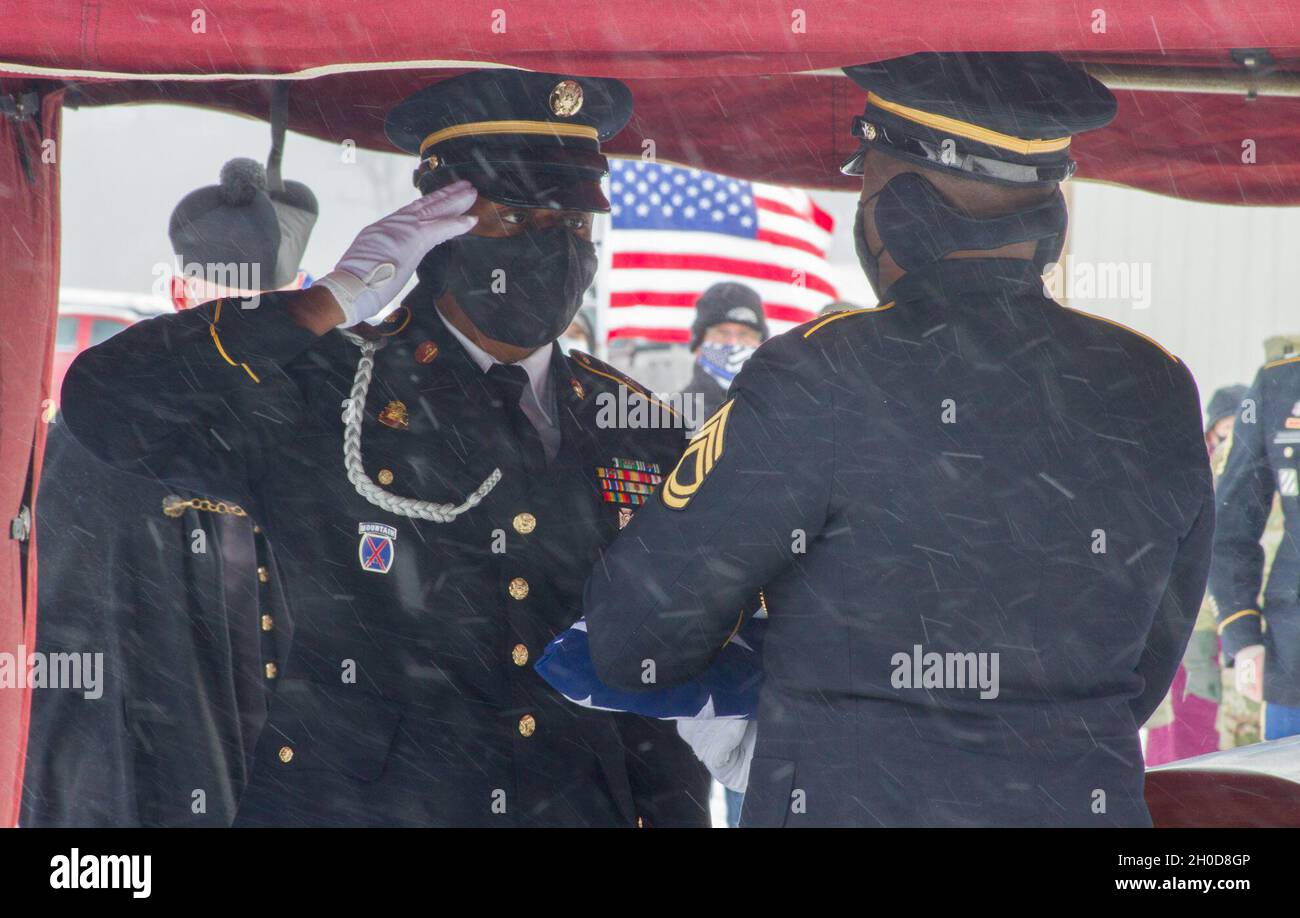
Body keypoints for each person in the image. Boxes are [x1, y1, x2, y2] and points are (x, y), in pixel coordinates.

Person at [62, 69, 708, 827]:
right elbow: (106, 405)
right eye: (520, 220)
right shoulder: (326, 385)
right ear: (440, 227)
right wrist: (325, 301)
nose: (555, 247)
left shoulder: (639, 423)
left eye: (572, 227)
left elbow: (660, 684)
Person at [583, 52, 1213, 827]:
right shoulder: (1155, 384)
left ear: (900, 204)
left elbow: (637, 636)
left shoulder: (821, 373)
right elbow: (1149, 662)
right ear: (1048, 214)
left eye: (866, 180)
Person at [23, 158, 311, 826]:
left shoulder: (330, 425)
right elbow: (72, 648)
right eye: (223, 313)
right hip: (151, 777)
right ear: (180, 297)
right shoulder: (101, 426)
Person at [1143, 385, 1247, 765]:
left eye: (1239, 437)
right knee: (1182, 740)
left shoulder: (1258, 487)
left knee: (1234, 740)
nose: (1228, 448)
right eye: (1224, 435)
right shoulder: (1186, 482)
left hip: (1234, 631)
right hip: (1187, 631)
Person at [1210, 339, 1300, 742]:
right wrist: (1242, 636)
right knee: (1285, 804)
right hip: (1293, 664)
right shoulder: (1278, 384)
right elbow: (1228, 527)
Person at [678, 282, 768, 423]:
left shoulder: (783, 413)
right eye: (721, 333)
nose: (733, 343)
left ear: (761, 344)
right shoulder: (672, 419)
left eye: (745, 334)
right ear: (698, 345)